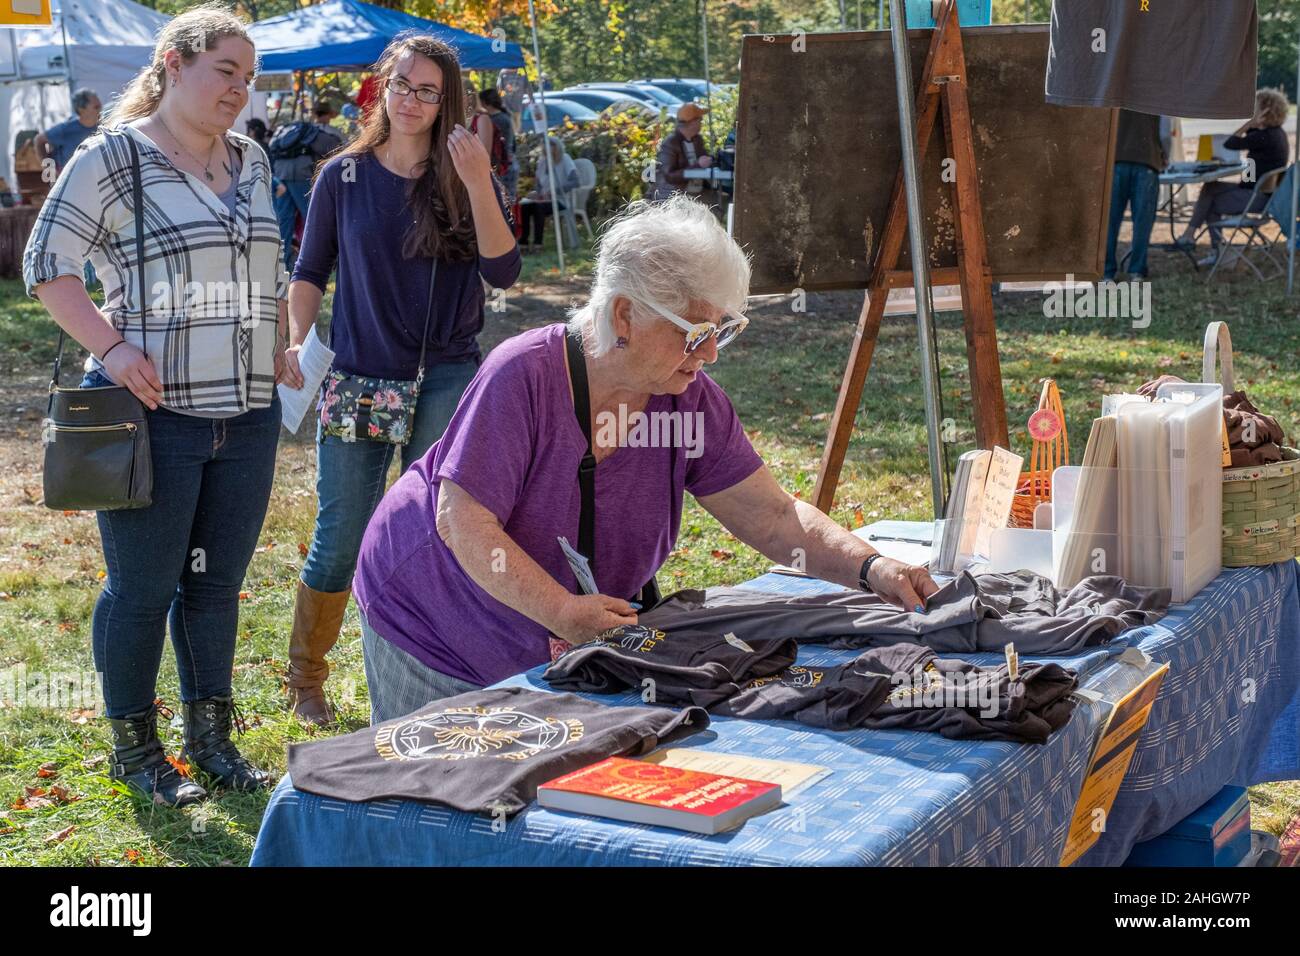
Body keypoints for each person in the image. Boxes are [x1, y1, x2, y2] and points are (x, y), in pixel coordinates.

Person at [351, 195, 940, 724]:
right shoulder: (523, 374)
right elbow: (463, 523)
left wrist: (872, 569)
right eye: (694, 331)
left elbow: (774, 518)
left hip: (561, 635)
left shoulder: (690, 401)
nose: (710, 353)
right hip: (432, 614)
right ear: (625, 315)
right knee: (447, 804)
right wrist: (560, 610)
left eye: (721, 330)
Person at [22, 6, 289, 806]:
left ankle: (211, 742)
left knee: (214, 585)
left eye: (248, 78)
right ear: (174, 63)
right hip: (152, 415)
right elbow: (46, 264)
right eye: (225, 73)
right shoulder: (114, 159)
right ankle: (135, 750)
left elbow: (267, 264)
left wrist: (275, 330)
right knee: (143, 588)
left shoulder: (251, 158)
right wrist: (112, 347)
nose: (239, 91)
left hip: (247, 415)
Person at [281, 34, 520, 725]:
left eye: (428, 91)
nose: (411, 101)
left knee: (437, 528)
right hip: (359, 376)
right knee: (343, 530)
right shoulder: (343, 177)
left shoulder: (466, 172)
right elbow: (308, 273)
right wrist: (297, 337)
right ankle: (306, 677)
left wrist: (478, 182)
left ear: (448, 103)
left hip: (446, 373)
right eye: (402, 85)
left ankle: (434, 662)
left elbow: (503, 272)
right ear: (381, 88)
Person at [1174, 88, 1291, 267]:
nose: (1252, 111)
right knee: (1210, 188)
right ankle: (1197, 239)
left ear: (1266, 111)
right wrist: (1253, 125)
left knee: (1209, 203)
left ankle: (1214, 250)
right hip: (1257, 192)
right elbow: (1247, 153)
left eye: (1255, 108)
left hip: (1256, 198)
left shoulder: (1264, 137)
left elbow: (1231, 143)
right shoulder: (1276, 134)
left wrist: (1247, 124)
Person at [271, 99, 344, 271]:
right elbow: (339, 153)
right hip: (303, 175)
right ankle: (320, 262)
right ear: (328, 114)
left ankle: (282, 264)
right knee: (314, 218)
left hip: (282, 174)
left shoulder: (296, 131)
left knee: (284, 221)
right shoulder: (323, 133)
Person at [1104, 110, 1166, 280]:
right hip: (1146, 161)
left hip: (1114, 160)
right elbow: (1166, 132)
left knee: (1109, 222)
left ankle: (1107, 271)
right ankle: (1136, 269)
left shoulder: (1112, 91)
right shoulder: (1155, 94)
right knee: (1142, 223)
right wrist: (1164, 154)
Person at [519, 137, 576, 252]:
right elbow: (539, 185)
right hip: (544, 200)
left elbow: (575, 181)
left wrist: (555, 191)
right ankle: (523, 243)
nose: (548, 149)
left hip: (561, 200)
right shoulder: (542, 161)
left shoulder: (565, 159)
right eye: (545, 147)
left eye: (551, 146)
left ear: (557, 146)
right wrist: (535, 193)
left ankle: (538, 244)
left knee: (538, 207)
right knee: (524, 206)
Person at [651, 102, 713, 202]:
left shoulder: (697, 140)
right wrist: (698, 166)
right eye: (700, 120)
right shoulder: (671, 143)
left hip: (696, 195)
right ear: (693, 122)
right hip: (672, 198)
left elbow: (704, 160)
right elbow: (670, 176)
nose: (702, 123)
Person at [34, 88, 102, 175]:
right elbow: (39, 140)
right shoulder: (66, 129)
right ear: (81, 109)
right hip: (68, 179)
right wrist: (48, 167)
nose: (100, 110)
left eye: (100, 106)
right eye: (96, 107)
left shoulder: (103, 126)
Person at [472, 87, 517, 201]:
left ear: (485, 102)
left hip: (503, 166)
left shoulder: (496, 120)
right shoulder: (503, 116)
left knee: (504, 205)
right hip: (508, 163)